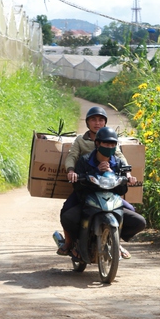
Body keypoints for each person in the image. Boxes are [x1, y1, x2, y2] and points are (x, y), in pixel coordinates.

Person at [58, 106, 136, 258]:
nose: (97, 123)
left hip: (108, 183)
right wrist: (72, 171)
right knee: (67, 212)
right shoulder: (81, 140)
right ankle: (69, 242)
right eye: (93, 119)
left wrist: (127, 173)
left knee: (129, 211)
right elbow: (72, 156)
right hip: (86, 180)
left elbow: (120, 156)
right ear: (87, 123)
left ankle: (115, 242)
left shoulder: (111, 139)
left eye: (101, 120)